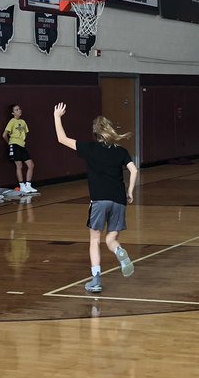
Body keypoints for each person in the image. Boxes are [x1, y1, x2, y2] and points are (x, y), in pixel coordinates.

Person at [53, 104, 138, 294]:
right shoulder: (120, 151)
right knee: (111, 239)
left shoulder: (89, 148)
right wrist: (130, 191)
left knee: (94, 239)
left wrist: (57, 116)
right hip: (119, 199)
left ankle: (96, 280)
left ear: (95, 133)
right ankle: (118, 251)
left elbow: (61, 138)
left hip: (99, 200)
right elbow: (134, 170)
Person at [3, 104, 37, 194]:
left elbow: (25, 133)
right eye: (16, 110)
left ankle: (28, 185)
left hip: (22, 145)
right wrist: (10, 143)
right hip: (14, 145)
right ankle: (22, 186)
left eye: (19, 109)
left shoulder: (23, 122)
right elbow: (4, 135)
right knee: (19, 165)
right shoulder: (12, 121)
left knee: (31, 164)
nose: (19, 111)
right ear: (13, 112)